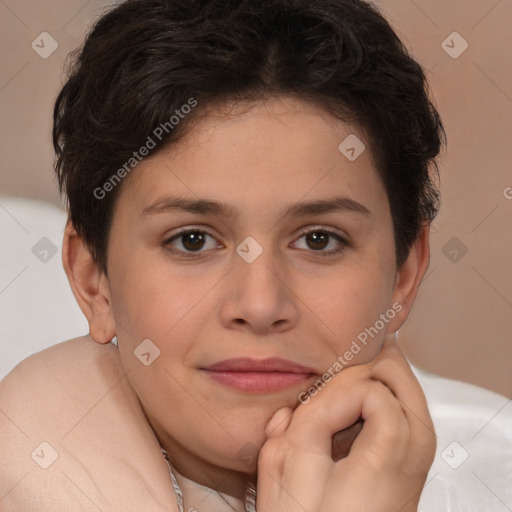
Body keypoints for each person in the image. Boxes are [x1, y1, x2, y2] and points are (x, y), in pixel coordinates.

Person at [0, 0, 510, 510]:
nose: (261, 304)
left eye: (318, 240)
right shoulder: (34, 464)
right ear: (93, 281)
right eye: (192, 240)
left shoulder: (492, 467)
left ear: (404, 273)